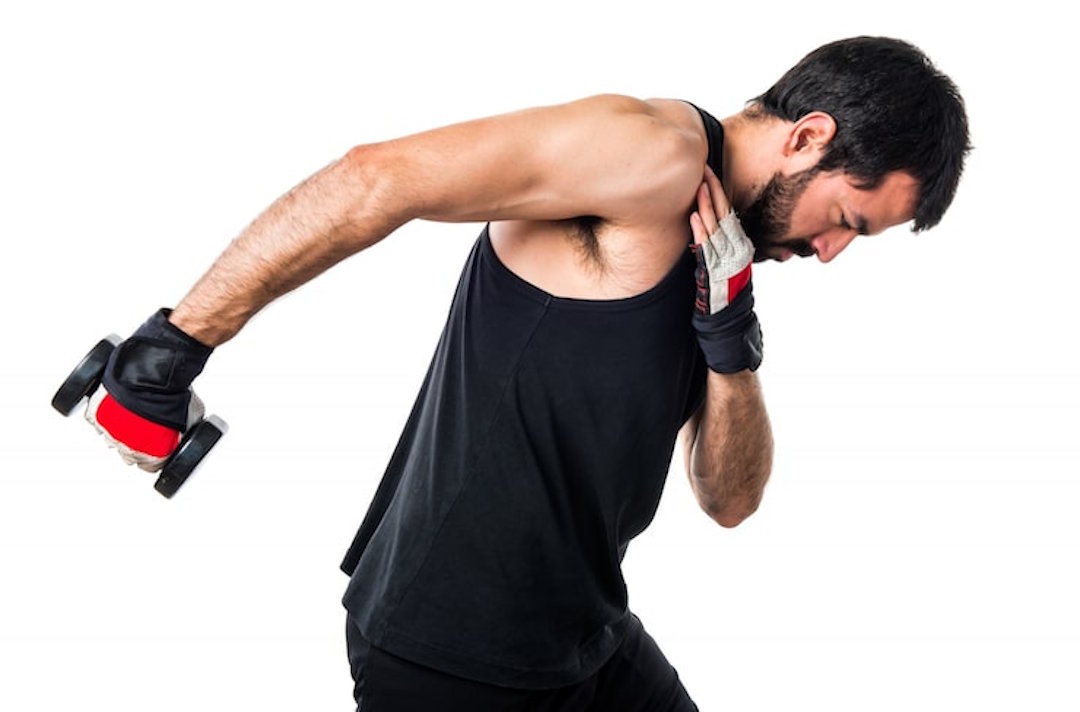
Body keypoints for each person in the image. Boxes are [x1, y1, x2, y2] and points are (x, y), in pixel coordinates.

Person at [80, 36, 969, 711]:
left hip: (581, 638)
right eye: (848, 219)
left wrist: (730, 341)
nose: (831, 252)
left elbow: (730, 501)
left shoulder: (722, 256)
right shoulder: (654, 155)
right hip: (453, 656)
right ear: (808, 137)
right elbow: (378, 177)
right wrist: (172, 351)